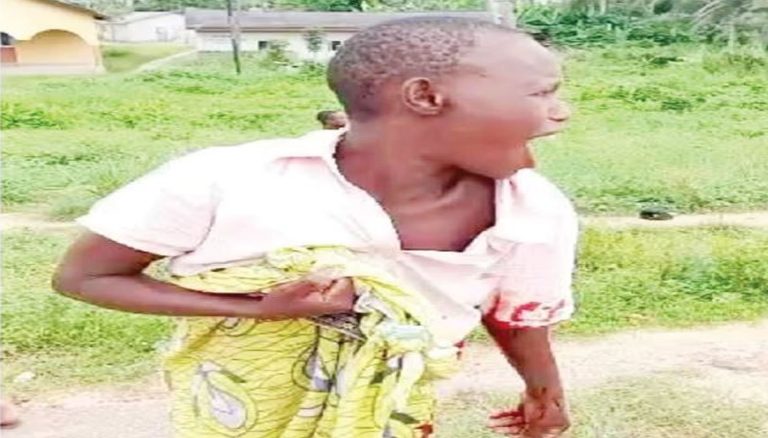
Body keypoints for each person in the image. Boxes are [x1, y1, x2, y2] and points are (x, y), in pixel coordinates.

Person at [54, 16, 576, 438]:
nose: (562, 113)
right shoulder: (226, 181)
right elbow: (85, 277)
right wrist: (259, 308)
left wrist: (545, 394)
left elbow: (519, 315)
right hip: (237, 412)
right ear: (425, 96)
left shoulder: (532, 209)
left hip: (393, 413)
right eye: (541, 93)